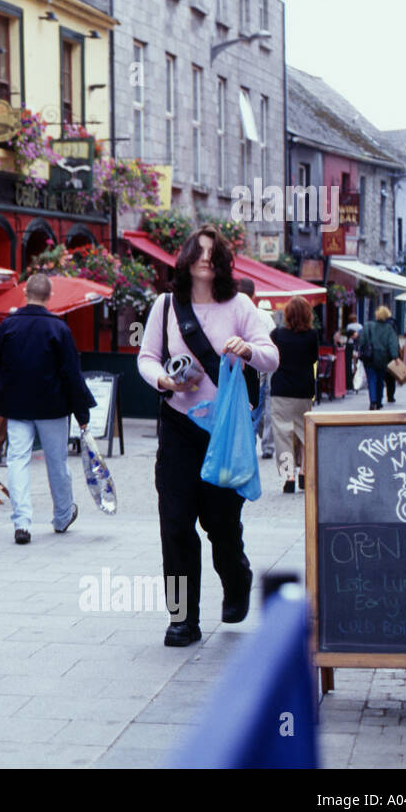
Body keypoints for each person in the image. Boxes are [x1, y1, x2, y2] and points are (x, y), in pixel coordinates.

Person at [137, 226, 278, 647]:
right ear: (184, 259)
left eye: (212, 252)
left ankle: (237, 578)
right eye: (197, 251)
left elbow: (272, 356)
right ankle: (182, 619)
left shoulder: (240, 306)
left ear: (222, 261)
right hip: (179, 427)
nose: (204, 258)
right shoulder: (164, 307)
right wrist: (165, 379)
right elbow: (146, 358)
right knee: (175, 526)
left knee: (221, 525)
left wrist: (249, 350)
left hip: (226, 432)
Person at [0, 273, 95, 544]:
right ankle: (62, 516)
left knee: (17, 460)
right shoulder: (59, 329)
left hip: (17, 406)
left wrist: (4, 392)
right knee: (57, 462)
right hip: (52, 406)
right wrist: (82, 413)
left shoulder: (6, 326)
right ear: (49, 296)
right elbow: (71, 374)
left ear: (25, 294)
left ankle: (22, 522)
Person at [269, 297, 318, 493]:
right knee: (304, 432)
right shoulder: (312, 335)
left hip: (281, 390)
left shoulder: (277, 334)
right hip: (304, 390)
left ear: (287, 314)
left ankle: (288, 476)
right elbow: (314, 357)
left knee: (283, 434)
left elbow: (271, 358)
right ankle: (304, 473)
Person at [237, 279, 276, 458]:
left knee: (249, 409)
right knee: (260, 407)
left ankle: (247, 445)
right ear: (254, 296)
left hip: (237, 369)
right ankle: (263, 445)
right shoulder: (263, 316)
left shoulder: (231, 313)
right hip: (259, 368)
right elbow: (272, 347)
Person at [358, 306, 401, 410]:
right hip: (383, 358)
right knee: (380, 379)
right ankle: (379, 401)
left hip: (369, 357)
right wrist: (395, 357)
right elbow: (393, 344)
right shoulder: (388, 329)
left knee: (371, 379)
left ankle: (373, 401)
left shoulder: (367, 326)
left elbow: (361, 341)